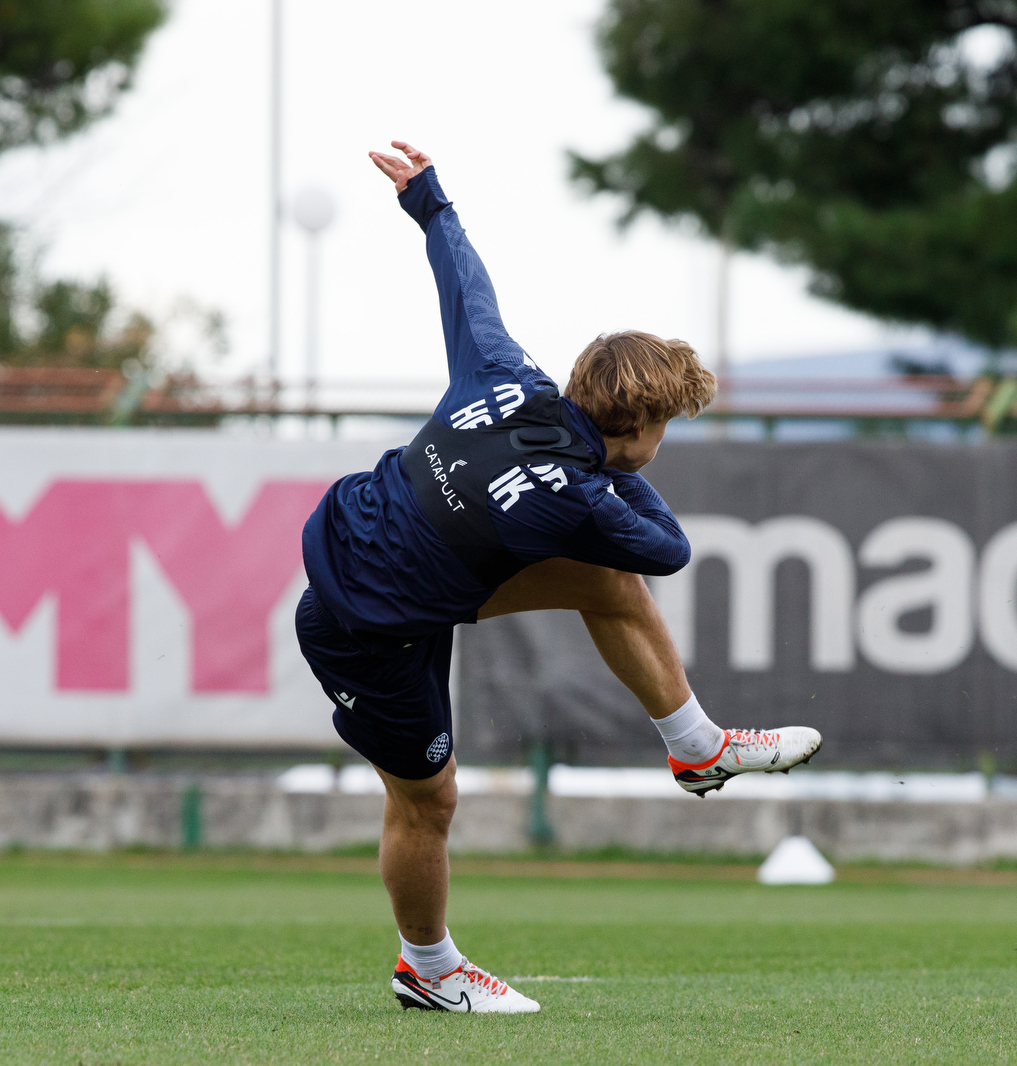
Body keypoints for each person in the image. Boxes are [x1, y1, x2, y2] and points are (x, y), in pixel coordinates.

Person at [295, 141, 822, 1014]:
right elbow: (668, 546)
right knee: (429, 802)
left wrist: (431, 200)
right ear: (643, 426)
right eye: (667, 424)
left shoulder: (505, 376)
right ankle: (427, 969)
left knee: (604, 586)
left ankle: (697, 747)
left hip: (385, 559)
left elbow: (468, 290)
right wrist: (609, 475)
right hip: (363, 626)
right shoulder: (579, 499)